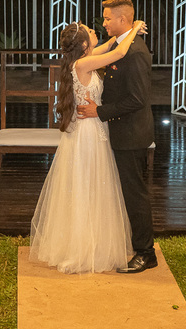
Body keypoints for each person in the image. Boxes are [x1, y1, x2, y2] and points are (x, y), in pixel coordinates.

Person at [28, 17, 145, 274]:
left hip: (93, 128)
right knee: (89, 185)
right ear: (83, 44)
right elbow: (120, 51)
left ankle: (93, 242)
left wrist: (124, 30)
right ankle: (84, 249)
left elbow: (110, 46)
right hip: (89, 134)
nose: (96, 31)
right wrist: (135, 28)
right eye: (91, 31)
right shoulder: (83, 63)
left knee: (94, 185)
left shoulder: (82, 58)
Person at [76, 0, 157, 273]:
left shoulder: (133, 52)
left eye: (108, 18)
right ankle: (137, 245)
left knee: (135, 194)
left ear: (123, 19)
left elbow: (137, 99)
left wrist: (99, 111)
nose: (104, 23)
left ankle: (146, 253)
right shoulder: (124, 44)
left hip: (131, 134)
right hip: (122, 132)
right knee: (128, 192)